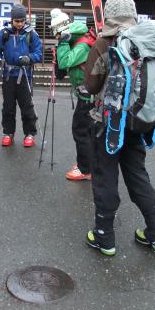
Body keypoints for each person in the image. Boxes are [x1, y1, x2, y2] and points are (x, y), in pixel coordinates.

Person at [84, 0, 155, 257]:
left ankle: (104, 237)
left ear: (108, 15)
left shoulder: (104, 43)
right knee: (137, 175)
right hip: (139, 121)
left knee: (105, 176)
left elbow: (92, 85)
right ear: (133, 15)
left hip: (108, 123)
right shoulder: (148, 43)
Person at [51, 9, 97, 181]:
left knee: (80, 131)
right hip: (87, 94)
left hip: (89, 97)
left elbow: (65, 62)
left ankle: (85, 169)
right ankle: (89, 165)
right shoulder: (78, 41)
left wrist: (62, 45)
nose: (57, 38)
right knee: (89, 132)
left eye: (58, 35)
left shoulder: (83, 44)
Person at [0, 3, 43, 147]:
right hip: (8, 75)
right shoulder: (4, 33)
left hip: (25, 74)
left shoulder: (31, 34)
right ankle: (8, 133)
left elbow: (39, 53)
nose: (20, 24)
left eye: (22, 21)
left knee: (27, 106)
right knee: (8, 106)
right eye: (17, 21)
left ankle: (30, 134)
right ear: (12, 19)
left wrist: (30, 58)